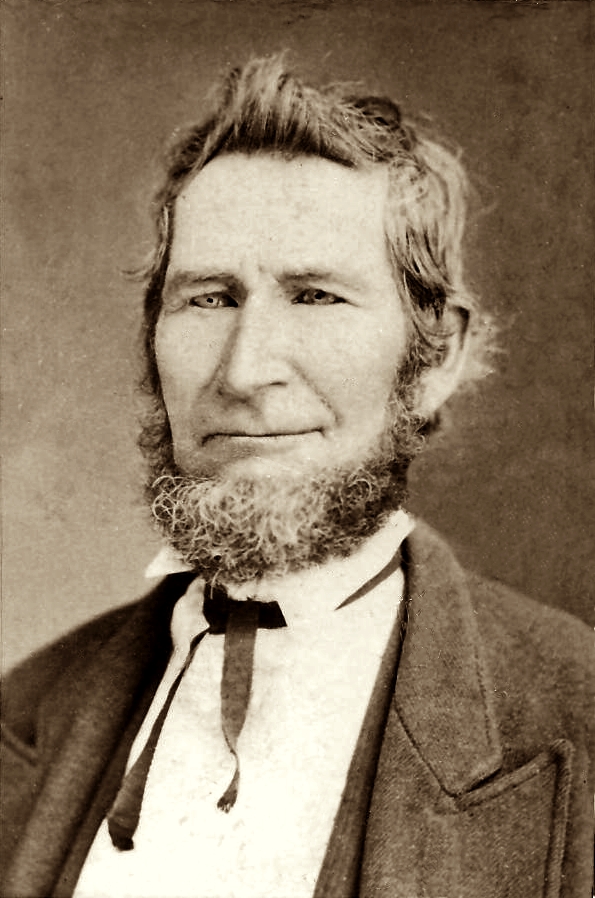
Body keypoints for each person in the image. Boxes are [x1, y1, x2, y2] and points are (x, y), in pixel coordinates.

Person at [1, 55, 592, 898]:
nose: (245, 373)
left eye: (315, 297)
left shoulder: (574, 715)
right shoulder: (22, 708)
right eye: (209, 298)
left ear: (435, 358)